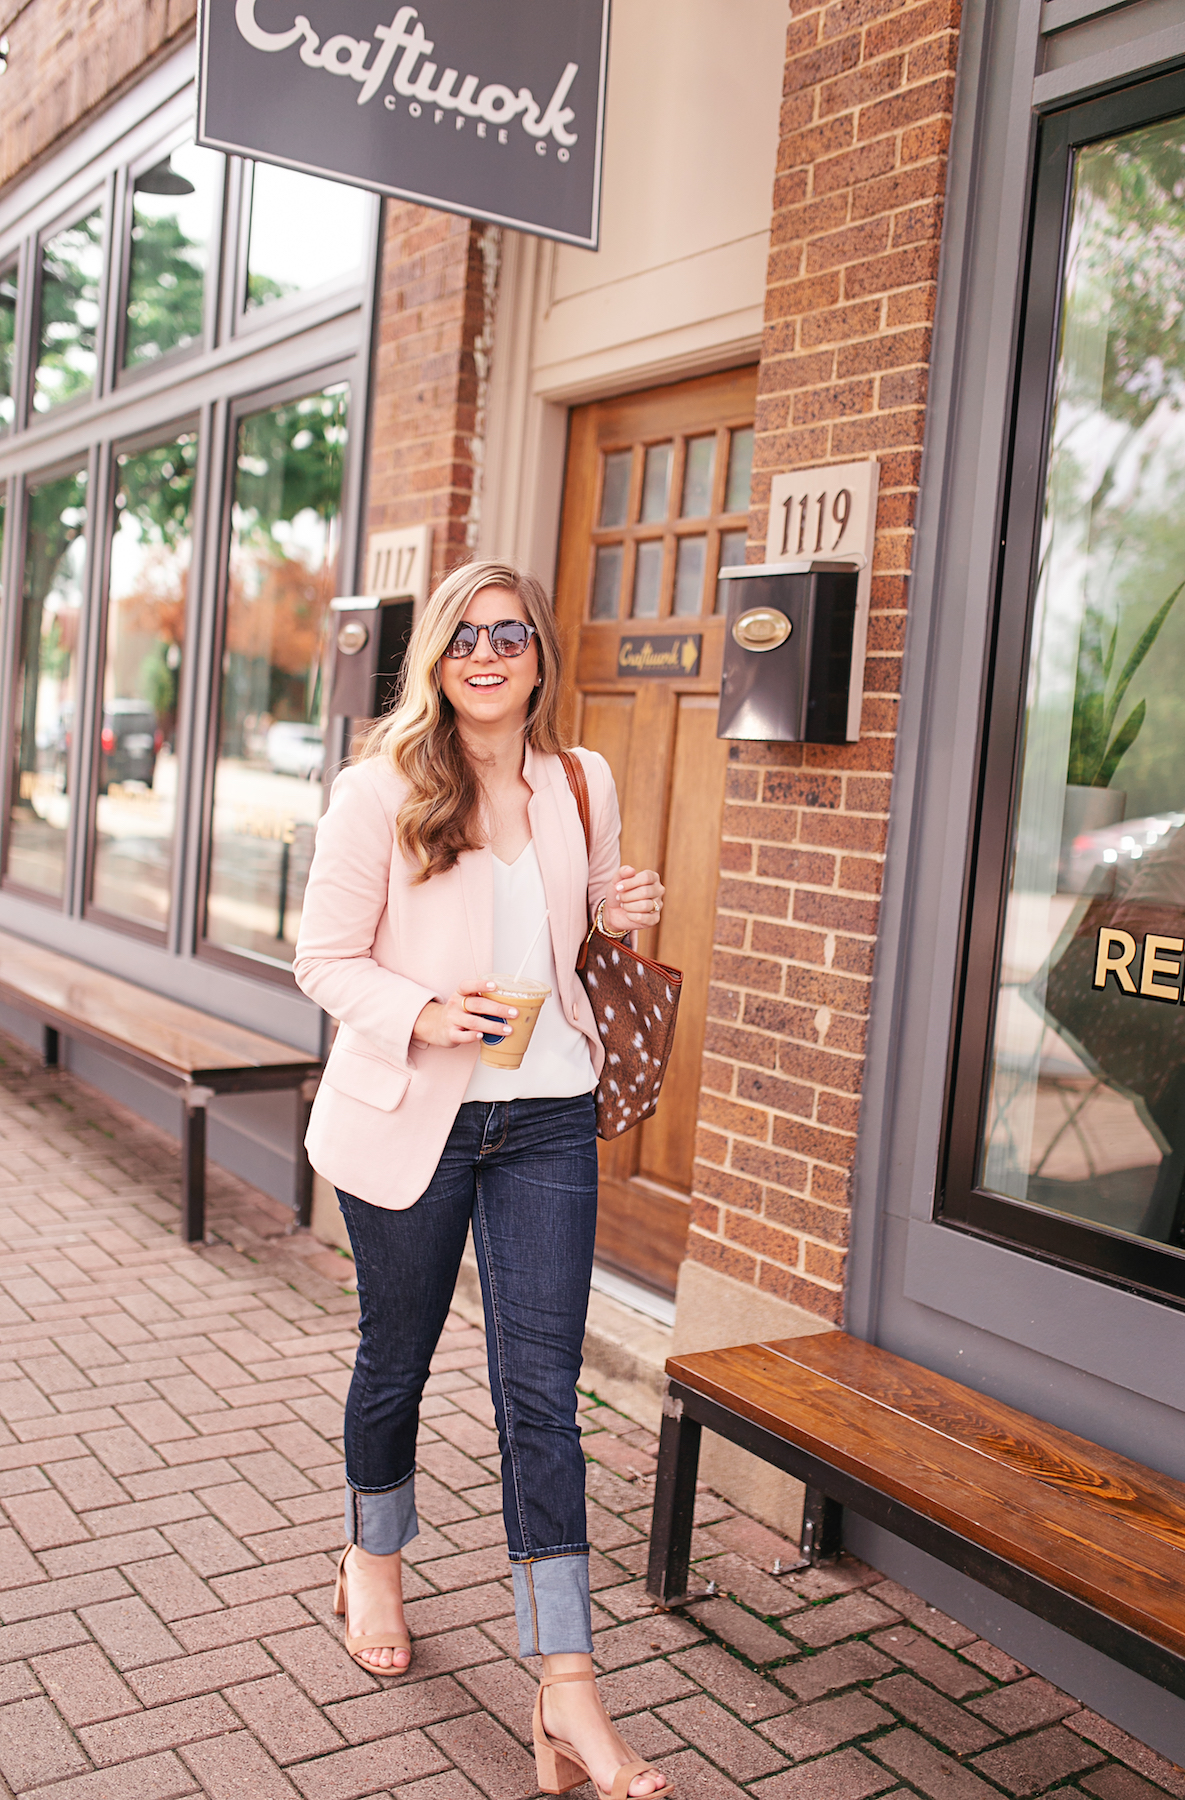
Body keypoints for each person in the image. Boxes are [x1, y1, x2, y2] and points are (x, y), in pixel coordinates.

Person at [294, 559, 672, 1799]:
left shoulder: (580, 779)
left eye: (511, 634)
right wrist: (423, 1009)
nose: (490, 654)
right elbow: (324, 960)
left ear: (539, 655)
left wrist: (629, 906)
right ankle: (373, 1561)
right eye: (467, 636)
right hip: (416, 1114)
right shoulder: (379, 790)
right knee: (394, 1359)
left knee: (540, 1397)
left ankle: (568, 1694)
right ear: (439, 660)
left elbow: (596, 933)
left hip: (549, 1117)